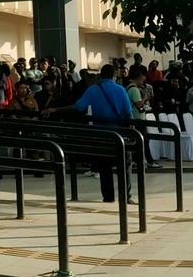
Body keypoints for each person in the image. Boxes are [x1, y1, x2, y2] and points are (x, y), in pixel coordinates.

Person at [44, 63, 133, 203]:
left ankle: (108, 197)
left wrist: (55, 110)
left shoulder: (93, 89)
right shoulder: (120, 90)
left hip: (101, 134)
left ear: (101, 75)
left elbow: (78, 107)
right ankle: (126, 196)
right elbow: (128, 113)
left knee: (104, 166)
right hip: (119, 134)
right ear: (114, 75)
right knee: (125, 163)